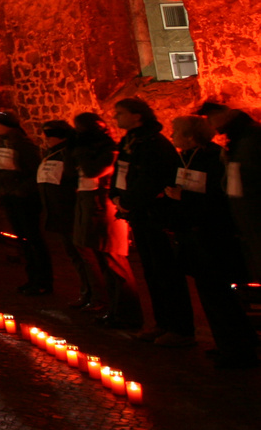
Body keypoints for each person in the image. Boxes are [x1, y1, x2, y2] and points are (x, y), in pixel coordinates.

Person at [166, 115, 256, 368]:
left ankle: (238, 349)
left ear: (191, 136)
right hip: (192, 234)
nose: (171, 136)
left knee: (221, 295)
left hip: (212, 235)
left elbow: (218, 198)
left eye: (176, 132)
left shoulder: (214, 158)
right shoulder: (185, 157)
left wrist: (182, 198)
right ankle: (225, 342)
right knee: (208, 293)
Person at [109, 98, 193, 346]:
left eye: (120, 113)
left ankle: (180, 328)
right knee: (152, 273)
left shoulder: (154, 144)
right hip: (138, 213)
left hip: (154, 215)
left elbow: (151, 178)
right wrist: (116, 195)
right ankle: (162, 323)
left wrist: (130, 201)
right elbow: (121, 171)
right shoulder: (130, 142)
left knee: (166, 272)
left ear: (137, 116)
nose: (116, 118)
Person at [72, 112, 140, 329]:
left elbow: (94, 171)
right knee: (101, 259)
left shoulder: (109, 150)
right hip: (91, 203)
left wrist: (81, 151)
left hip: (106, 207)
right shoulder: (90, 148)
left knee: (114, 259)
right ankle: (113, 309)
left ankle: (126, 314)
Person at [196, 101, 261, 281]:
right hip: (247, 217)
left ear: (225, 113)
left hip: (254, 214)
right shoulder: (239, 138)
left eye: (210, 117)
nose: (209, 123)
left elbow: (246, 179)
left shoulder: (250, 137)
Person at [35, 121, 94, 309]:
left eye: (49, 135)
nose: (46, 140)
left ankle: (93, 294)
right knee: (74, 255)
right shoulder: (51, 154)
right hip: (57, 210)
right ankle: (86, 292)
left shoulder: (68, 154)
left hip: (68, 209)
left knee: (83, 256)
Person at [0, 112, 51, 295]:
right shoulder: (3, 143)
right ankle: (32, 278)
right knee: (24, 240)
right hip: (9, 196)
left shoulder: (23, 145)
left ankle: (43, 280)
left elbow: (35, 171)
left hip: (24, 199)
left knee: (33, 239)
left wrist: (21, 190)